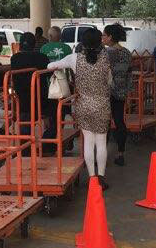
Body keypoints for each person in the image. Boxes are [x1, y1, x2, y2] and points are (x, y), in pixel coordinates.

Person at [48, 28, 112, 189]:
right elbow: (110, 81)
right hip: (102, 105)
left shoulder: (74, 58)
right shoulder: (107, 58)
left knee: (89, 142)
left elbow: (51, 65)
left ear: (82, 42)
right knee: (101, 142)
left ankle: (92, 178)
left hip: (83, 105)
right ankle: (102, 177)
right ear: (100, 42)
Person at [11, 32, 54, 153]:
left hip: (22, 98)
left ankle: (25, 150)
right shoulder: (42, 58)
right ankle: (48, 146)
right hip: (41, 97)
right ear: (34, 44)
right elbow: (49, 74)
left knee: (25, 122)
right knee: (52, 117)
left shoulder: (14, 58)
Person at [103, 24, 132, 167]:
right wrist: (126, 89)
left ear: (110, 37)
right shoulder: (126, 52)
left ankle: (103, 154)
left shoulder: (107, 53)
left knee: (105, 123)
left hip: (107, 92)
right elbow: (129, 74)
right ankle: (121, 153)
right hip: (121, 92)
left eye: (104, 35)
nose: (102, 38)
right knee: (120, 121)